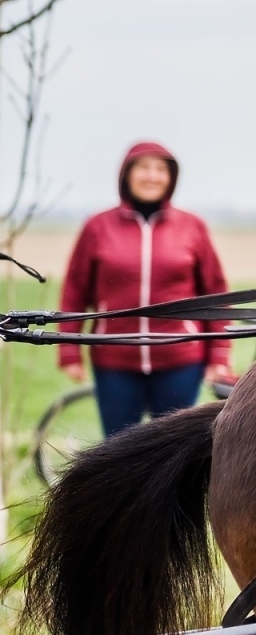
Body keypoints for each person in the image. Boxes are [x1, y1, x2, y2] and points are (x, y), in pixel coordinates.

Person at [58, 141, 236, 437]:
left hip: (180, 360)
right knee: (117, 449)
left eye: (160, 169)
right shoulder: (98, 227)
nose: (151, 176)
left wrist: (220, 353)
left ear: (171, 177)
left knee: (171, 452)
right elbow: (75, 290)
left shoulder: (192, 227)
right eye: (143, 167)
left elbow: (215, 291)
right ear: (126, 174)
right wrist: (68, 350)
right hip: (114, 358)